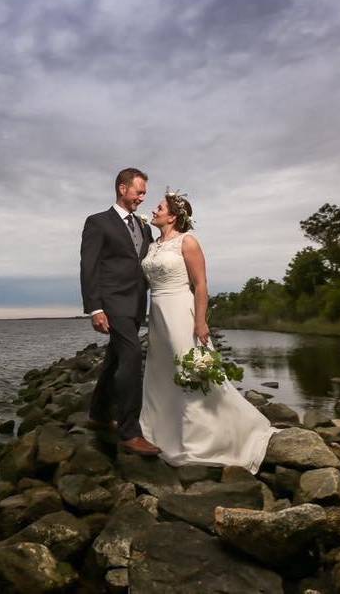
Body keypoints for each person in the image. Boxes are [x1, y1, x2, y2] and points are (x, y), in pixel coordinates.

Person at [139, 191, 275, 471]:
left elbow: (201, 285)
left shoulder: (187, 242)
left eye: (160, 206)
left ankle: (199, 440)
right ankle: (165, 431)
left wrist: (200, 322)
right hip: (158, 315)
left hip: (180, 311)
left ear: (173, 216)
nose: (154, 209)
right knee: (162, 373)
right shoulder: (152, 246)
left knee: (188, 371)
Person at [80, 168, 160, 456]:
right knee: (131, 357)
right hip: (113, 304)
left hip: (137, 303)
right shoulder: (97, 222)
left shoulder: (144, 227)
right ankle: (130, 432)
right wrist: (95, 308)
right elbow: (88, 267)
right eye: (139, 191)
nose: (142, 197)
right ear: (122, 188)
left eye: (144, 193)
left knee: (114, 360)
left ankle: (98, 415)